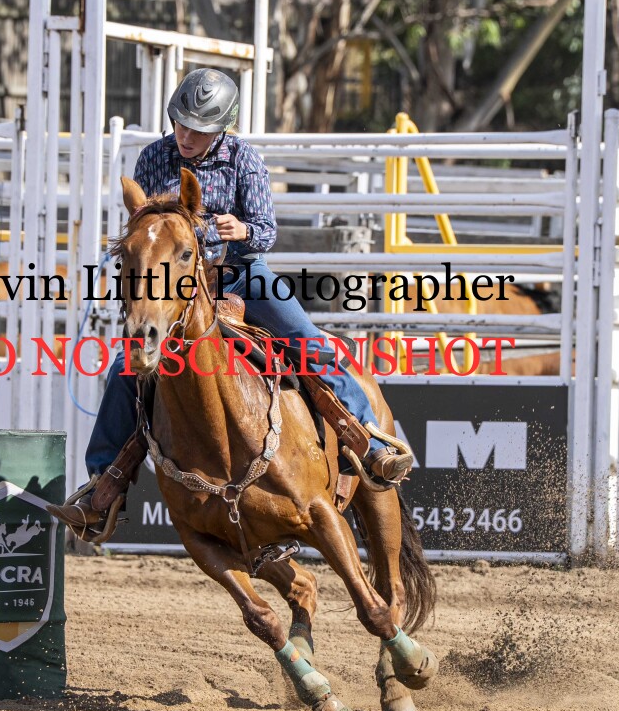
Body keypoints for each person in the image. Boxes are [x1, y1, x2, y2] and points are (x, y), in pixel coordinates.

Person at [49, 68, 403, 542]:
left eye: (199, 129)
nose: (186, 136)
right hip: (175, 285)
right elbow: (147, 227)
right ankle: (102, 488)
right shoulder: (153, 158)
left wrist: (243, 230)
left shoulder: (243, 159)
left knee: (306, 341)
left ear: (222, 128)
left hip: (240, 274)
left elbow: (266, 231)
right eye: (181, 124)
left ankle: (367, 438)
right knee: (127, 368)